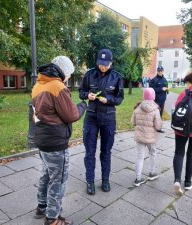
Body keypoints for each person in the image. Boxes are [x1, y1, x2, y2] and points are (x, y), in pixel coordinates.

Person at [32, 56, 87, 225]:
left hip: (42, 138)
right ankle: (52, 218)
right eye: (69, 74)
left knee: (47, 174)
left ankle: (41, 206)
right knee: (59, 180)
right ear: (63, 71)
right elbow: (71, 115)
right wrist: (83, 104)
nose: (69, 77)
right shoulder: (57, 86)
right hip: (56, 142)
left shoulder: (38, 85)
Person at [79, 49, 124, 195]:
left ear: (111, 63)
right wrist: (88, 95)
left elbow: (119, 99)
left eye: (105, 64)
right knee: (89, 152)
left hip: (108, 118)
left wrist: (109, 100)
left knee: (106, 152)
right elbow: (81, 92)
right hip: (91, 117)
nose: (102, 67)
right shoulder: (89, 74)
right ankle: (90, 181)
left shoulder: (117, 77)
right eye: (100, 64)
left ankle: (105, 180)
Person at [131, 88, 163, 187]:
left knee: (140, 156)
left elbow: (133, 122)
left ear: (144, 96)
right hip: (151, 137)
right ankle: (152, 173)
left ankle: (138, 178)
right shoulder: (155, 110)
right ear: (153, 96)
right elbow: (158, 126)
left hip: (140, 136)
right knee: (152, 153)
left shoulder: (137, 108)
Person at [149, 66, 168, 133]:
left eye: (161, 71)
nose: (160, 72)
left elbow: (165, 87)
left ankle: (158, 128)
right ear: (157, 71)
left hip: (162, 100)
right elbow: (151, 89)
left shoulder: (165, 79)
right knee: (154, 114)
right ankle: (152, 127)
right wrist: (161, 89)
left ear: (163, 71)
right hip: (156, 100)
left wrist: (167, 89)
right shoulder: (154, 79)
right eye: (159, 71)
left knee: (160, 114)